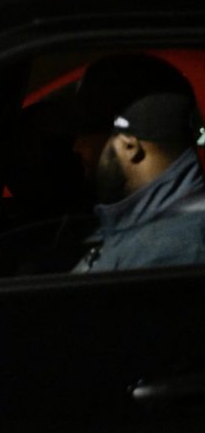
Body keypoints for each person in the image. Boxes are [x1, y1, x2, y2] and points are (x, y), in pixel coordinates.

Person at [69, 53, 205, 273]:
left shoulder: (170, 255)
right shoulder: (139, 227)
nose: (76, 146)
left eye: (85, 132)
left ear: (130, 147)